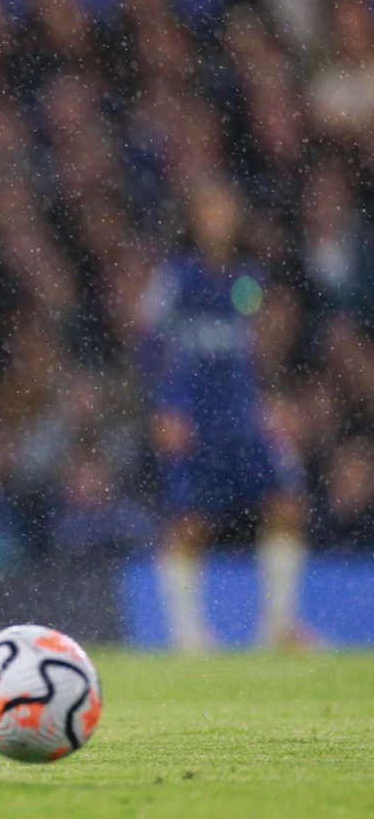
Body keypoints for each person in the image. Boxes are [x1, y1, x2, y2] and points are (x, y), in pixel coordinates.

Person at [138, 178, 312, 651]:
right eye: (211, 209)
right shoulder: (176, 278)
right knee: (191, 522)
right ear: (193, 219)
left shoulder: (246, 279)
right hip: (193, 417)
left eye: (227, 209)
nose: (220, 218)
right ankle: (187, 635)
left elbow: (257, 344)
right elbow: (149, 342)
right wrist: (162, 408)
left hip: (243, 414)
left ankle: (278, 626)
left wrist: (273, 398)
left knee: (286, 504)